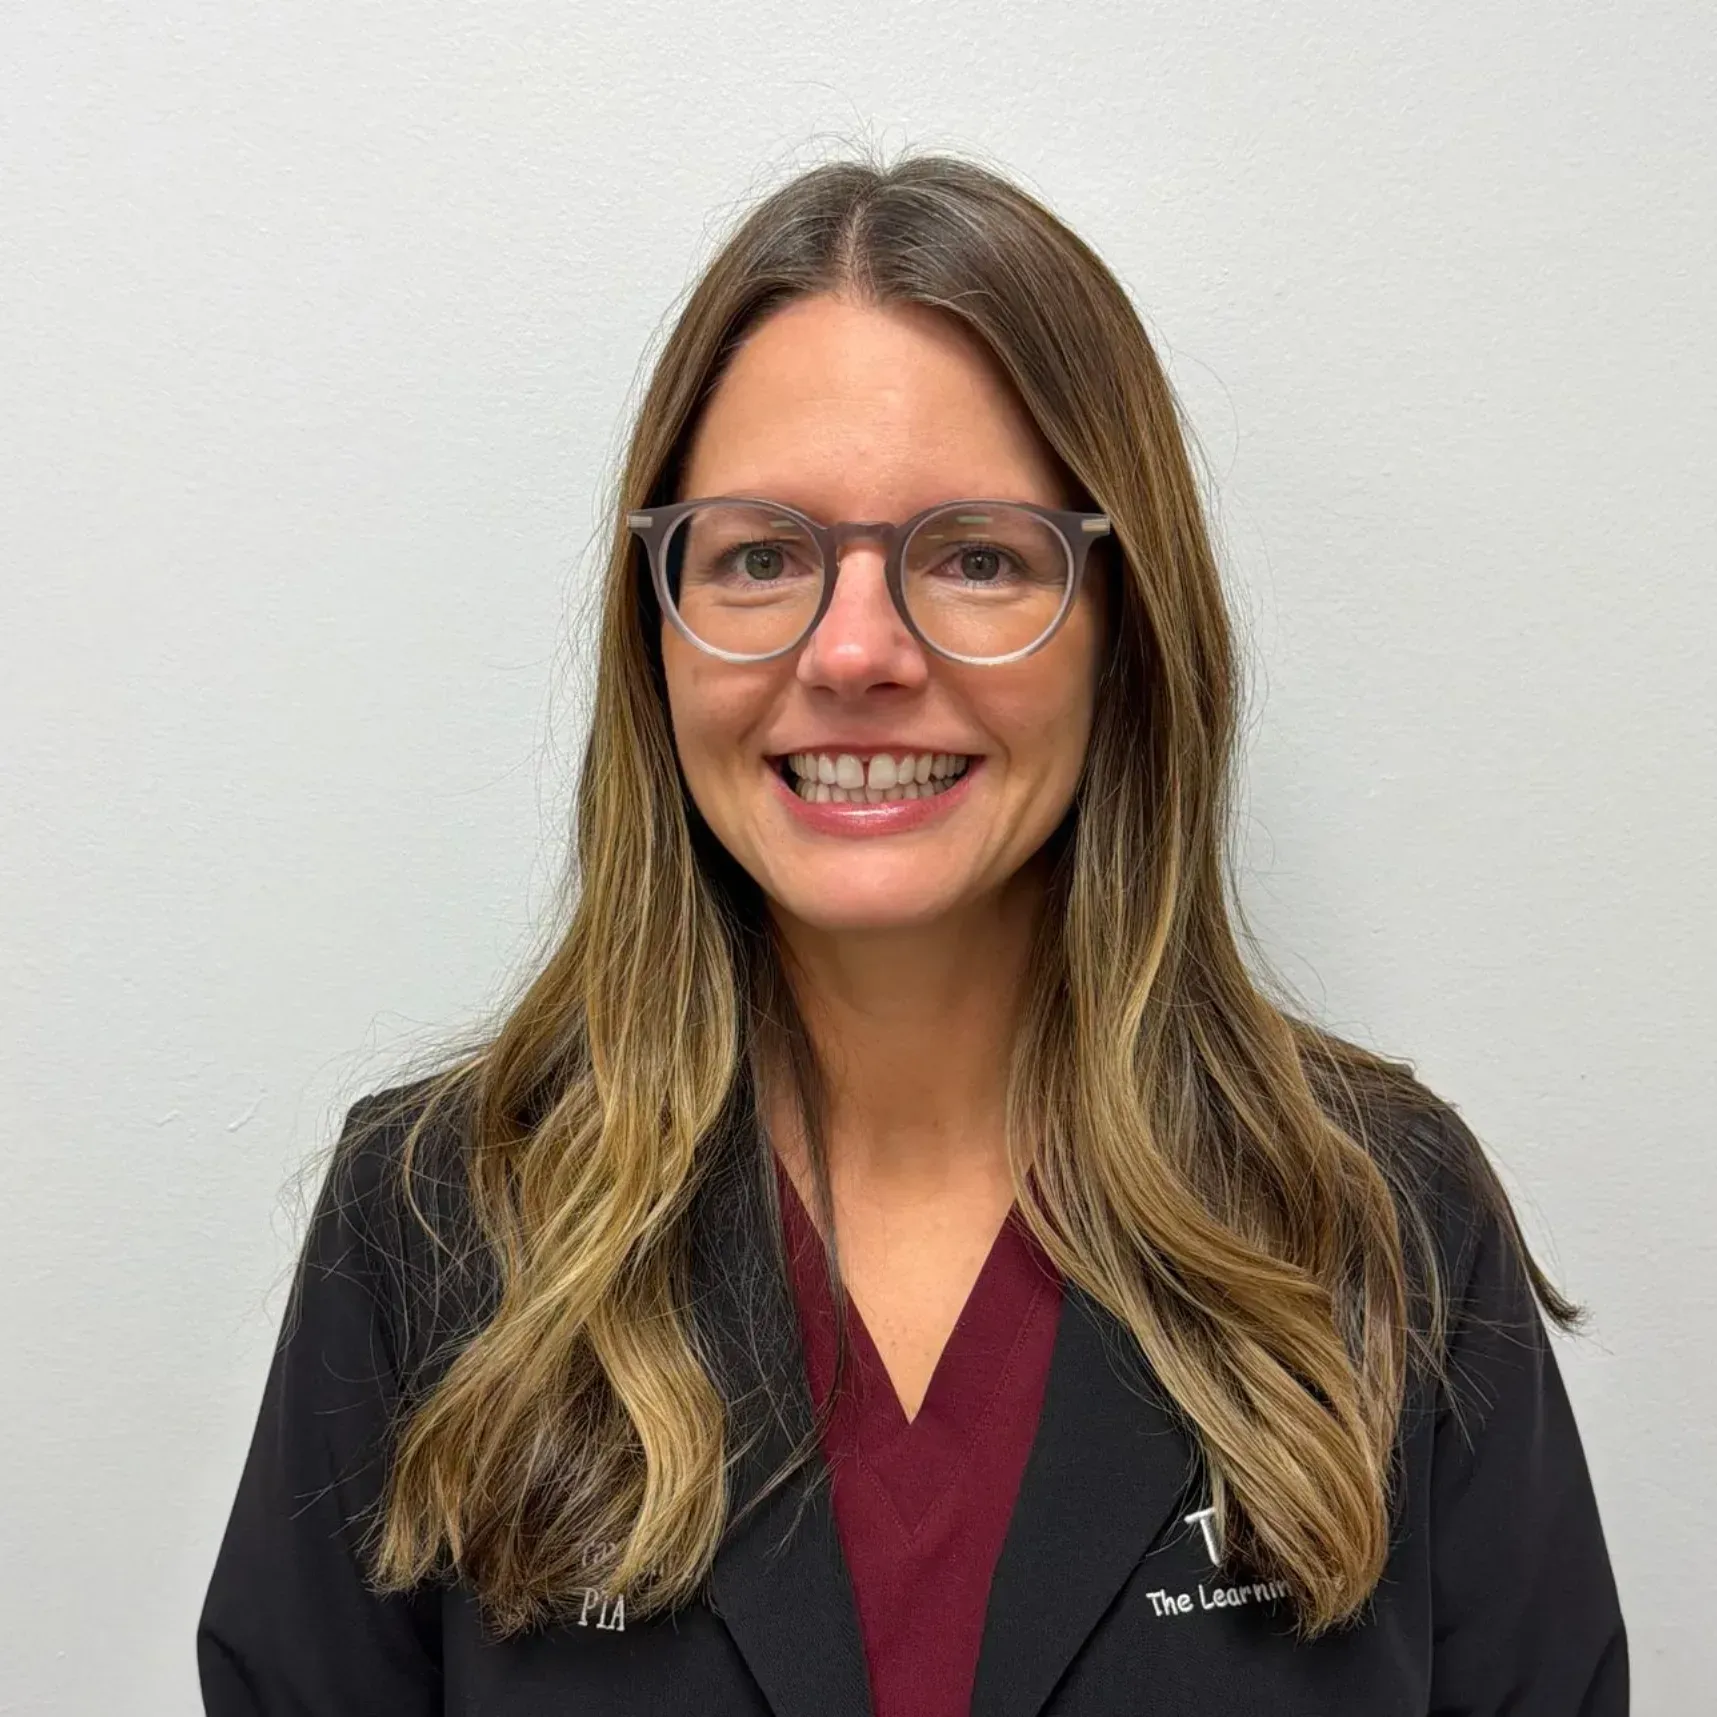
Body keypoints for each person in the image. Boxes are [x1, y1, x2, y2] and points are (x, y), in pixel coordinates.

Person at [197, 151, 1628, 1716]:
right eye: (759, 556)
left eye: (976, 556)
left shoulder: (1378, 1222)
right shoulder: (439, 1226)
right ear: (656, 631)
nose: (858, 650)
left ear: (1123, 633)